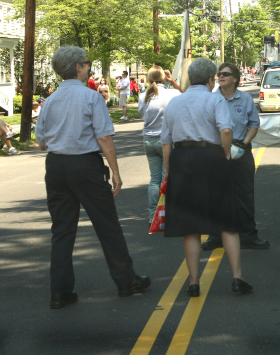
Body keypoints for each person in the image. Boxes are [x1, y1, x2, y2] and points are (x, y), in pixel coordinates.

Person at [36, 47, 150, 309]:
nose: (88, 67)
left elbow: (41, 142)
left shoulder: (50, 101)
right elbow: (103, 137)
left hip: (55, 165)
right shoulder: (91, 97)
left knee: (62, 229)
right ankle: (125, 280)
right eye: (86, 63)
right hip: (85, 165)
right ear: (78, 67)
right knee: (106, 224)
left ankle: (60, 291)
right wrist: (116, 172)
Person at [161, 57, 252, 297]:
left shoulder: (174, 102)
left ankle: (193, 282)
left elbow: (166, 142)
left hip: (182, 160)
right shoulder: (215, 99)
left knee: (190, 227)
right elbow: (226, 130)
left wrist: (170, 170)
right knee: (227, 221)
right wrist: (225, 155)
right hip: (211, 158)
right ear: (211, 79)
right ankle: (237, 278)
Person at [203, 63, 268, 251]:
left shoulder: (246, 99)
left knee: (244, 195)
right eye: (219, 74)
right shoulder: (211, 99)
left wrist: (244, 143)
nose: (221, 77)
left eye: (225, 74)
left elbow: (254, 124)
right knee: (216, 197)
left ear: (235, 79)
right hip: (217, 153)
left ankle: (248, 235)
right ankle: (215, 236)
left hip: (241, 152)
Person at [138, 66, 182, 222]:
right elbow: (186, 93)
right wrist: (174, 82)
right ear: (164, 77)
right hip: (166, 141)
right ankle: (168, 214)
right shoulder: (172, 93)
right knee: (167, 177)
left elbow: (141, 113)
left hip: (148, 140)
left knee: (154, 179)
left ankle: (152, 215)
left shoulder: (144, 96)